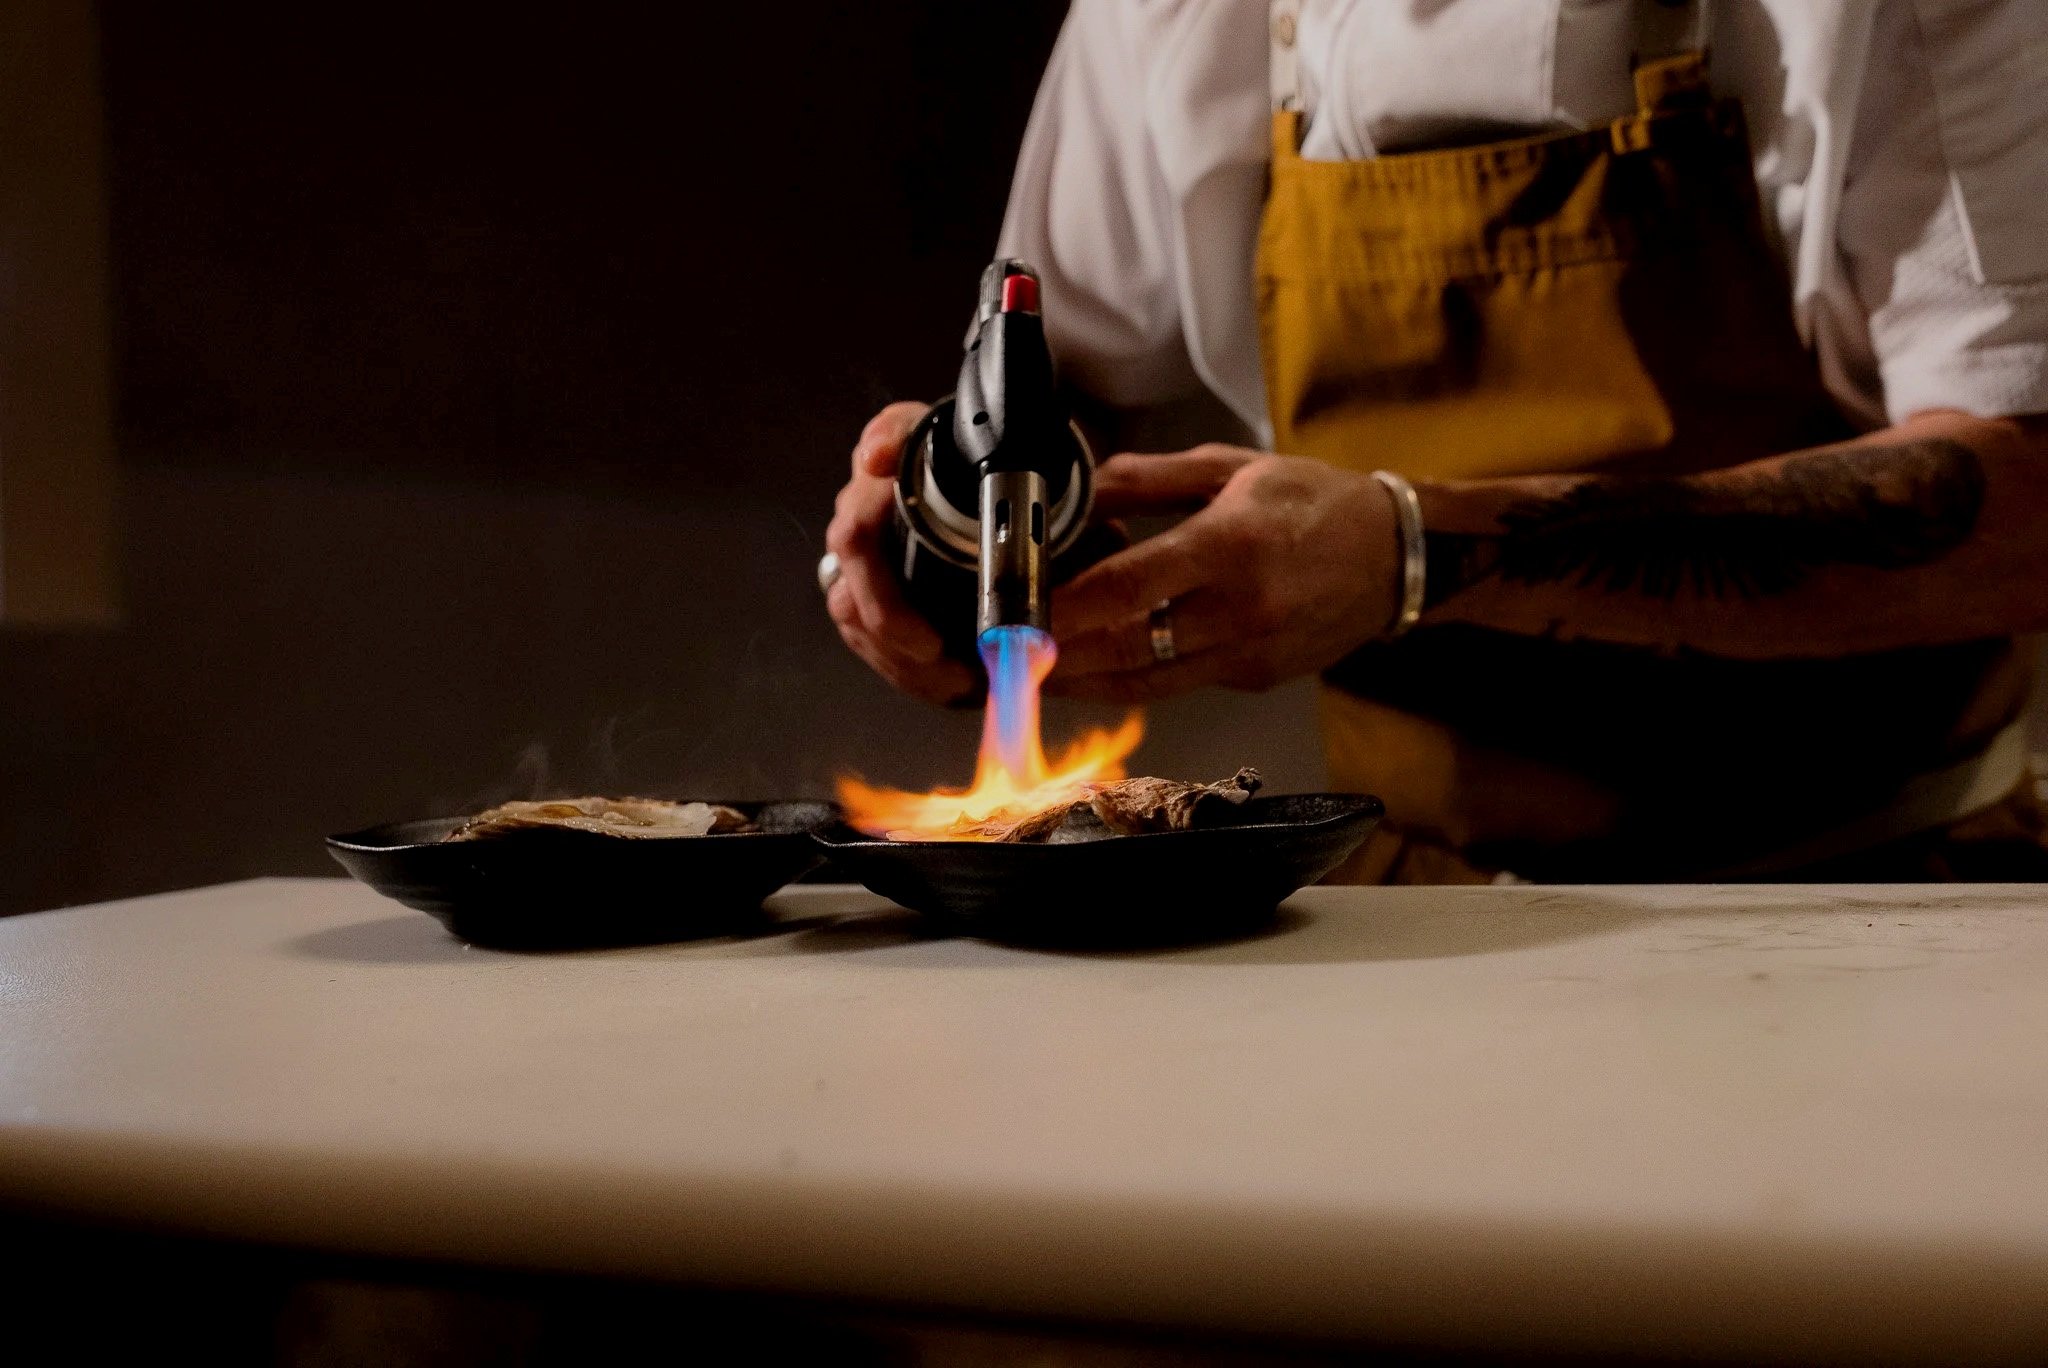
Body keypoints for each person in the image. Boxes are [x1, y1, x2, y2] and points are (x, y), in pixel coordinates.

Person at [824, 0, 2048, 883]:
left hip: (1870, 899)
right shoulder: (1176, 21)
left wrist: (1409, 552)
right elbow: (1053, 393)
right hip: (1411, 911)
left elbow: (2024, 501)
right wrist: (947, 520)